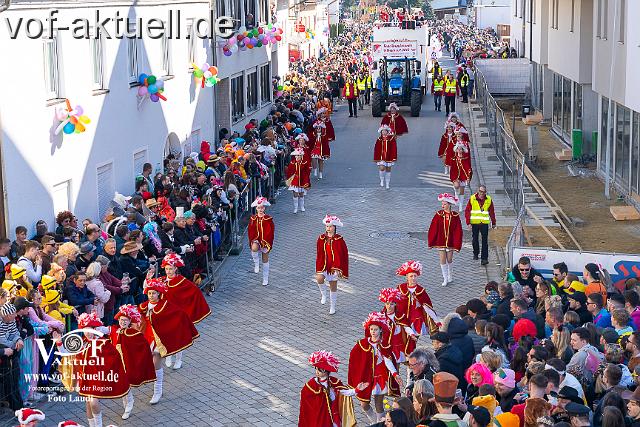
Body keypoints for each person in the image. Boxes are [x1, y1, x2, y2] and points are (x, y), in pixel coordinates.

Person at [138, 278, 199, 405]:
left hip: (159, 338)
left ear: (159, 294)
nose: (151, 296)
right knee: (148, 362)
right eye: (149, 293)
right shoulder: (143, 306)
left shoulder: (165, 305)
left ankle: (157, 390)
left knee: (156, 362)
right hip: (147, 336)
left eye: (154, 293)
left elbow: (179, 314)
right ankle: (156, 387)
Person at [75, 312, 130, 427]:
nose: (88, 333)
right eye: (86, 330)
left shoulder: (102, 343)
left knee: (94, 402)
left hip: (96, 378)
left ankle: (99, 425)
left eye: (91, 329)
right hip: (84, 378)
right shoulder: (82, 343)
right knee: (88, 402)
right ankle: (92, 425)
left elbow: (113, 357)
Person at [348, 312, 402, 424]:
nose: (373, 332)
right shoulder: (363, 343)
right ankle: (374, 422)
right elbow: (354, 358)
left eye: (376, 329)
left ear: (381, 330)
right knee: (364, 404)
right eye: (371, 329)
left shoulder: (384, 344)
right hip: (366, 378)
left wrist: (395, 374)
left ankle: (379, 424)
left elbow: (388, 361)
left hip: (380, 378)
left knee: (378, 404)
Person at [110, 304, 156, 420]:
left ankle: (129, 404)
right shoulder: (116, 331)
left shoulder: (133, 333)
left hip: (128, 363)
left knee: (125, 384)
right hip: (117, 363)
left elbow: (142, 345)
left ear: (130, 321)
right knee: (121, 384)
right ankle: (127, 403)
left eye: (125, 320)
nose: (123, 322)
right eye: (121, 320)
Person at [298, 350, 362, 427]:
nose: (317, 372)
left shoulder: (334, 382)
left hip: (335, 417)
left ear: (326, 371)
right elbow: (307, 403)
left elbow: (345, 392)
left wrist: (356, 390)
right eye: (316, 369)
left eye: (320, 370)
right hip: (322, 419)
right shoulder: (311, 386)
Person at [395, 260, 441, 341]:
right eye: (411, 276)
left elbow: (428, 307)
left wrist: (436, 320)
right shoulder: (400, 288)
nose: (413, 278)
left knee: (414, 338)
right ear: (407, 277)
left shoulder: (421, 291)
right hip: (404, 318)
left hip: (417, 319)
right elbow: (394, 303)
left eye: (415, 276)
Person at [315, 215, 349, 315]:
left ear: (334, 227)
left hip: (334, 266)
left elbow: (342, 254)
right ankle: (323, 294)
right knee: (319, 278)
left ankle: (332, 306)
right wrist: (319, 263)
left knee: (333, 286)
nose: (328, 228)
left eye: (330, 226)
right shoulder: (321, 238)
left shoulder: (339, 240)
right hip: (324, 264)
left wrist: (339, 268)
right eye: (327, 226)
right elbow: (319, 252)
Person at [428, 193, 463, 287]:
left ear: (449, 204)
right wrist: (431, 241)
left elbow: (458, 230)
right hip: (441, 240)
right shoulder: (439, 214)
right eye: (442, 204)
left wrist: (457, 242)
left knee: (449, 259)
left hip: (450, 240)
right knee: (442, 259)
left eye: (445, 204)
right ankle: (445, 278)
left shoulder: (455, 216)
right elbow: (433, 228)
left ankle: (450, 274)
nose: (442, 206)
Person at [379, 287, 414, 364]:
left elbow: (406, 326)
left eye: (391, 304)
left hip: (401, 344)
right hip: (389, 345)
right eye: (387, 304)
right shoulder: (381, 317)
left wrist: (411, 333)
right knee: (393, 364)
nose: (389, 306)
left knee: (409, 362)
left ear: (395, 304)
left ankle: (410, 375)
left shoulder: (400, 315)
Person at [465, 185, 496, 266]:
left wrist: (493, 222)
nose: (482, 193)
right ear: (477, 191)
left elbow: (492, 211)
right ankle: (475, 253)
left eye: (483, 192)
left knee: (484, 241)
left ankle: (484, 259)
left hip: (484, 223)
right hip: (474, 223)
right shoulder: (472, 198)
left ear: (485, 192)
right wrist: (468, 223)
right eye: (480, 191)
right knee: (475, 240)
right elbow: (467, 211)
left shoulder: (489, 199)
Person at [247, 197, 275, 286]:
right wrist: (253, 238)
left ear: (264, 208)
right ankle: (256, 263)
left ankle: (265, 278)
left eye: (262, 207)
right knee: (254, 248)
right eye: (259, 208)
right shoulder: (253, 218)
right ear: (256, 208)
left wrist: (268, 241)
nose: (260, 209)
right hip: (256, 239)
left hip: (265, 240)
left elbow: (271, 231)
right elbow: (250, 230)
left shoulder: (268, 218)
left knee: (265, 258)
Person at [285, 149, 311, 213]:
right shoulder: (292, 163)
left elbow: (307, 172)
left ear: (301, 156)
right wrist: (288, 179)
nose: (297, 157)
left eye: (299, 155)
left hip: (302, 180)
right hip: (295, 181)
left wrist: (307, 180)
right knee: (295, 194)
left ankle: (302, 206)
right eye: (296, 155)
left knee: (301, 194)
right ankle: (295, 208)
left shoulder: (305, 163)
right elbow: (289, 172)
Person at [449, 141, 472, 211]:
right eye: (458, 149)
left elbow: (468, 168)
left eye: (461, 149)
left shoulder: (466, 158)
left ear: (463, 150)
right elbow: (452, 170)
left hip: (463, 176)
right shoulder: (453, 159)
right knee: (456, 186)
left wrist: (468, 177)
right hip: (456, 176)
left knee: (462, 190)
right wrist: (455, 178)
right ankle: (456, 194)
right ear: (456, 150)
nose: (459, 150)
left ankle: (461, 205)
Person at [374, 125, 398, 189]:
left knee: (388, 169)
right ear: (381, 132)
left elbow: (394, 148)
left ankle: (387, 183)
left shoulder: (391, 139)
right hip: (381, 156)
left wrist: (394, 156)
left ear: (387, 132)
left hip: (389, 156)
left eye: (385, 131)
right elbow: (376, 148)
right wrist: (376, 157)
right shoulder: (379, 139)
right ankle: (382, 180)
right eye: (382, 131)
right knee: (382, 168)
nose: (384, 132)